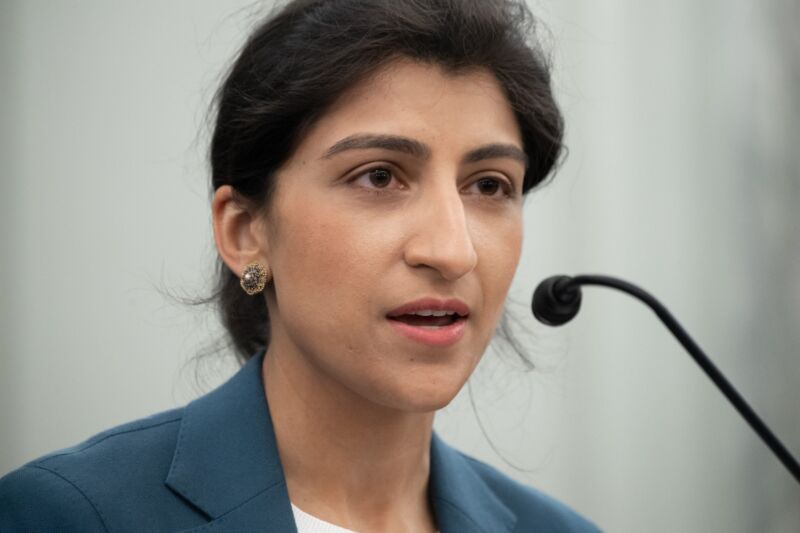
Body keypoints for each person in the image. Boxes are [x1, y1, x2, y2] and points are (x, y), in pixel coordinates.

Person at [0, 0, 602, 531]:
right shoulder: (68, 515)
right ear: (245, 233)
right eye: (379, 175)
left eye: (490, 186)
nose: (452, 251)